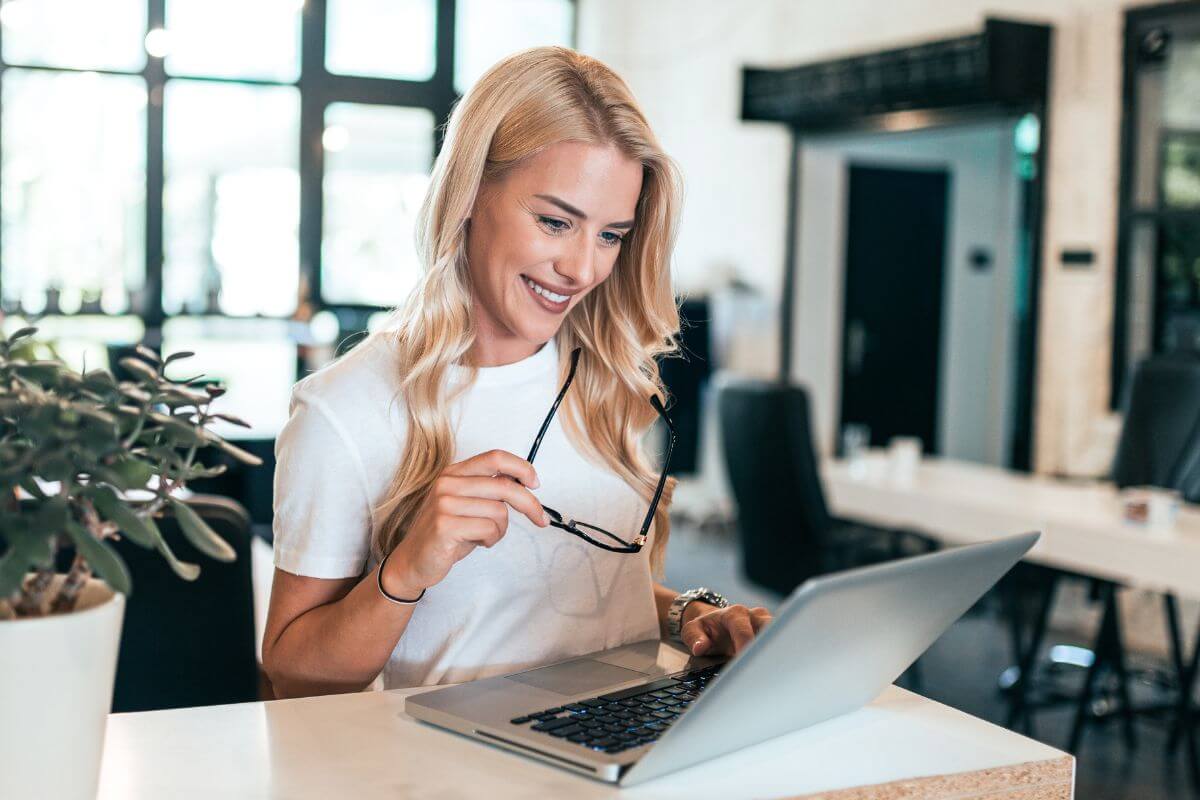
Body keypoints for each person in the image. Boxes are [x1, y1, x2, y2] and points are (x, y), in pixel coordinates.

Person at [262, 46, 771, 699]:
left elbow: (582, 585)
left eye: (610, 235)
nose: (583, 269)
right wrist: (408, 567)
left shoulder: (602, 376)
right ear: (471, 193)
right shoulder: (346, 409)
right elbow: (293, 672)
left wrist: (688, 616)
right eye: (556, 222)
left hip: (620, 745)